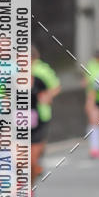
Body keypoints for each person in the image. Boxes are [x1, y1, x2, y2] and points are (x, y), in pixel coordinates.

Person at [30, 46, 61, 186]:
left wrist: (47, 95)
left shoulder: (43, 70)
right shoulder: (13, 71)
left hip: (41, 113)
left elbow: (55, 87)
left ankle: (36, 163)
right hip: (18, 118)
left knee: (37, 148)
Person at [83, 49, 99, 158]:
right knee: (94, 122)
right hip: (95, 97)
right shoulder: (91, 64)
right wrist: (89, 101)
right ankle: (94, 148)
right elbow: (88, 82)